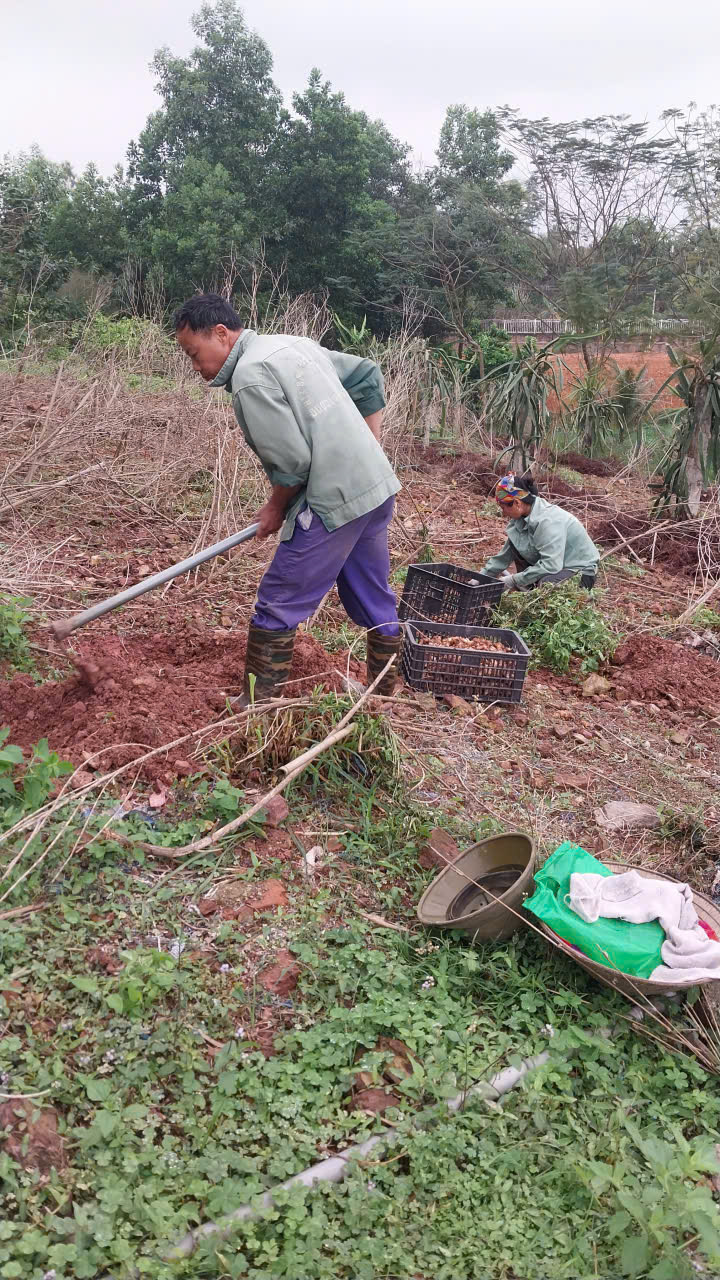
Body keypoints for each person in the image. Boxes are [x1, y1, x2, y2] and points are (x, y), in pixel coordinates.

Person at [174, 293, 402, 703]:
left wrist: (276, 506)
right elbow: (366, 375)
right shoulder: (292, 344)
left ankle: (257, 704)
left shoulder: (250, 377)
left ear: (221, 334)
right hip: (376, 488)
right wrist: (366, 454)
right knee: (372, 593)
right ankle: (383, 694)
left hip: (335, 500)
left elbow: (293, 463)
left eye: (194, 354)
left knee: (279, 598)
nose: (195, 366)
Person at [482, 473, 599, 592]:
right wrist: (480, 578)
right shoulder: (521, 519)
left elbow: (551, 565)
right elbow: (504, 556)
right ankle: (528, 587)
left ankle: (530, 589)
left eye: (503, 508)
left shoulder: (548, 521)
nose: (503, 513)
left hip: (580, 571)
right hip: (558, 565)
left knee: (547, 584)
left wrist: (513, 580)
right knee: (517, 546)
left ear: (517, 503)